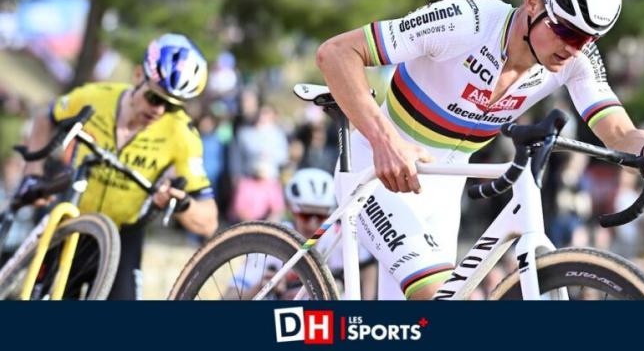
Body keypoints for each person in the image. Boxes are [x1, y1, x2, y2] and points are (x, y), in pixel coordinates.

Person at [315, 0, 644, 300]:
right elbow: (335, 53)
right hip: (379, 167)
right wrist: (386, 141)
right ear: (533, 2)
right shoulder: (468, 22)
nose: (572, 48)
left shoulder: (574, 61)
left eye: (586, 39)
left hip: (446, 183)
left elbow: (617, 130)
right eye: (565, 31)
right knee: (437, 300)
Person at [20, 33, 218, 300]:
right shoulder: (96, 97)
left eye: (172, 107)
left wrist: (181, 204)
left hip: (123, 237)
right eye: (154, 98)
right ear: (138, 75)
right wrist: (33, 173)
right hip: (72, 220)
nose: (159, 111)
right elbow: (46, 118)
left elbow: (209, 222)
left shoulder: (182, 136)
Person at [226, 168, 377, 300]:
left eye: (320, 216)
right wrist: (259, 288)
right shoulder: (273, 240)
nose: (312, 223)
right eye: (305, 215)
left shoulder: (340, 236)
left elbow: (368, 267)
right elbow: (228, 297)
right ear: (292, 210)